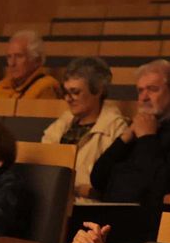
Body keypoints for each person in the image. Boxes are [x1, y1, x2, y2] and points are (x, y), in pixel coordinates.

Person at [89, 60, 170, 217]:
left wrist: (147, 138)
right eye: (140, 90)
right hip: (112, 211)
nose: (143, 97)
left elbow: (161, 188)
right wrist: (125, 138)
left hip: (146, 221)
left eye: (152, 89)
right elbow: (97, 178)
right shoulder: (143, 125)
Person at [42, 56, 129, 196]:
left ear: (98, 90)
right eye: (66, 92)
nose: (68, 99)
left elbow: (113, 185)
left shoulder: (116, 129)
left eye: (75, 92)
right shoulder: (59, 127)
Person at [0, 31, 61, 100]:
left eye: (19, 56)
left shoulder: (46, 86)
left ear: (36, 60)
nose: (12, 63)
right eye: (9, 57)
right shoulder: (1, 86)